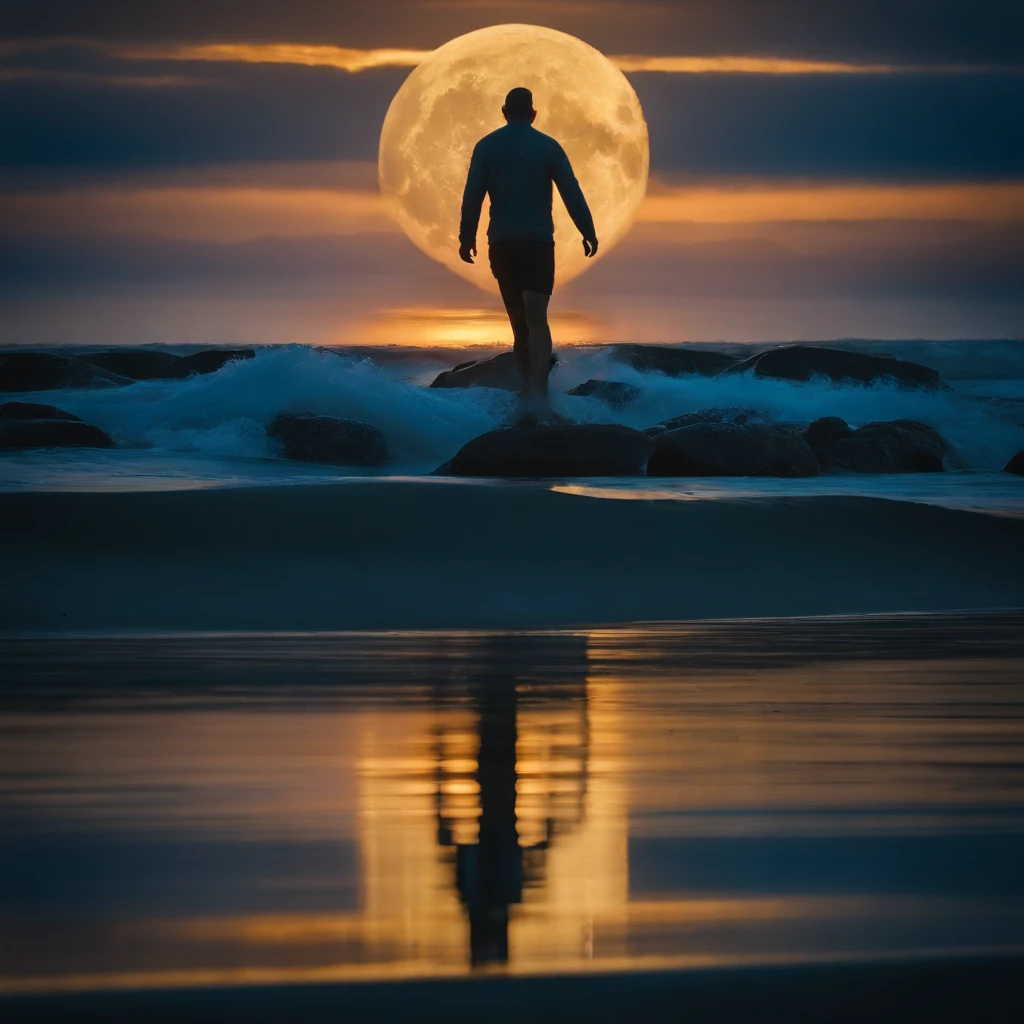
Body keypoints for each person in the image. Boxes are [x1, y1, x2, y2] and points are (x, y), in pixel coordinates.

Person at [459, 87, 598, 420]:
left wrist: (466, 237)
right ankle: (539, 391)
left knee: (519, 323)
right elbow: (571, 191)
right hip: (537, 244)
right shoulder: (548, 146)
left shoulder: (486, 146)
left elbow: (473, 195)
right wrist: (587, 230)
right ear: (533, 114)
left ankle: (527, 392)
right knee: (538, 317)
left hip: (502, 244)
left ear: (504, 111)